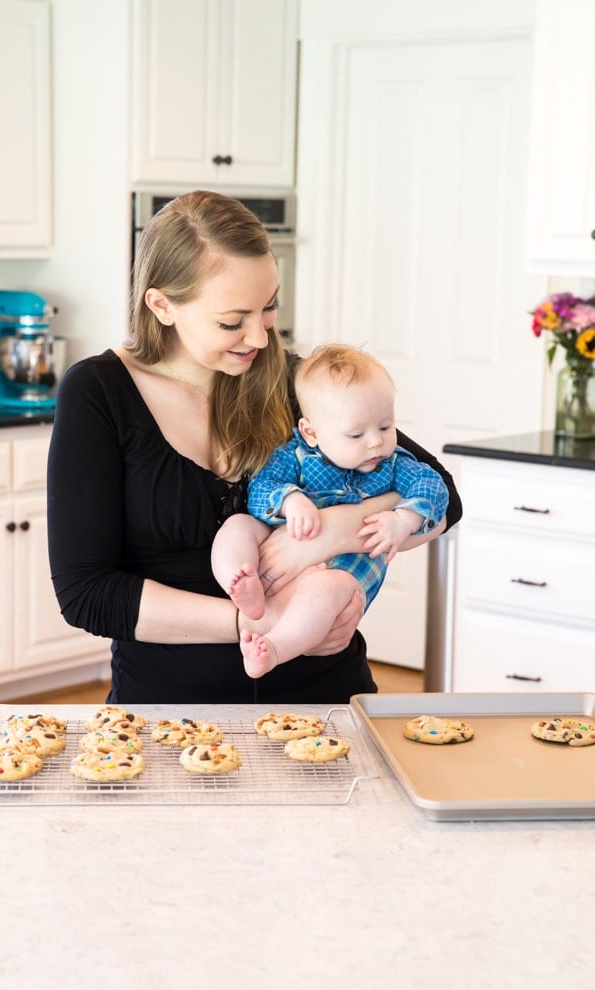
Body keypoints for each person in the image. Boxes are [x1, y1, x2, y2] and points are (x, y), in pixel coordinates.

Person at [47, 189, 462, 705]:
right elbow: (88, 594)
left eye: (268, 309)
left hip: (327, 698)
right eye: (232, 321)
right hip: (169, 711)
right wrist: (258, 622)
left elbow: (444, 495)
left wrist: (328, 535)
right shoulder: (99, 393)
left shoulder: (294, 381)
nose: (260, 338)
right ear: (162, 305)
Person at [211, 344, 449, 678]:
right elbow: (262, 487)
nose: (375, 443)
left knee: (325, 590)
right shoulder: (293, 455)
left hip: (340, 574)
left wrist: (402, 520)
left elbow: (435, 486)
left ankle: (274, 649)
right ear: (311, 432)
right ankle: (240, 581)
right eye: (356, 434)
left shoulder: (394, 465)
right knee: (237, 526)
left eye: (385, 426)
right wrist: (291, 501)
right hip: (279, 549)